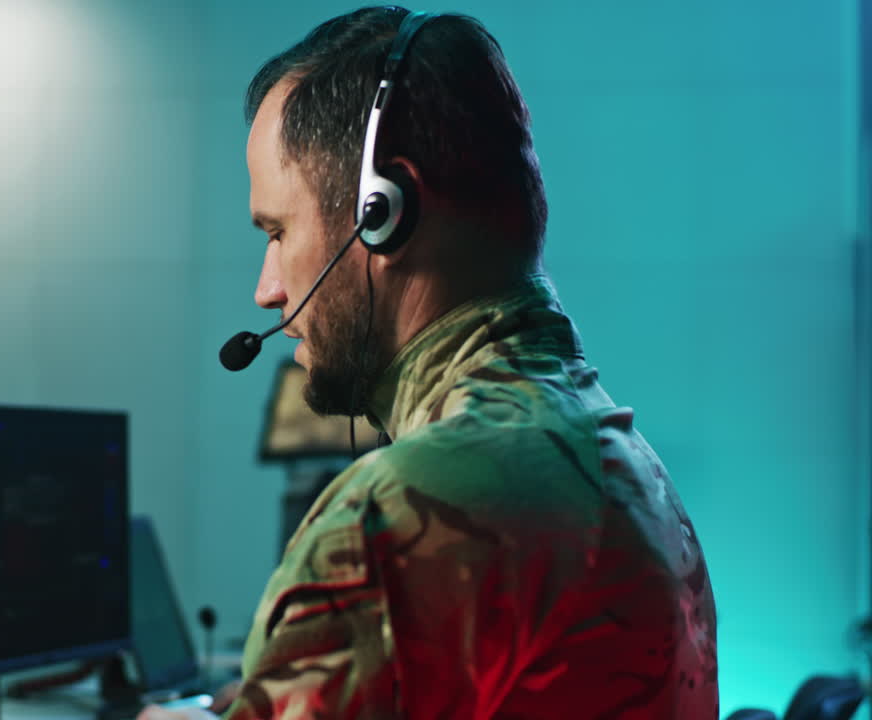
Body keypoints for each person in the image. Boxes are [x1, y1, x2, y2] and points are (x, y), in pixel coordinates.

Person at [146, 7, 717, 720]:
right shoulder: (627, 461)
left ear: (381, 213)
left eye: (278, 231)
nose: (268, 290)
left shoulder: (391, 521)